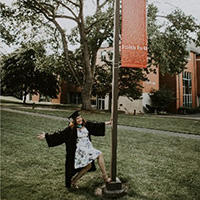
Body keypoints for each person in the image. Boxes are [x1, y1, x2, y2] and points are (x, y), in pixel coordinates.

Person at [37, 110, 111, 189]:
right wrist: (47, 136)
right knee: (99, 154)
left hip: (88, 147)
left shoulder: (86, 125)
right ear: (74, 121)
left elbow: (97, 125)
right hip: (80, 150)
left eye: (80, 118)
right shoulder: (71, 129)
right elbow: (60, 134)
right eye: (77, 119)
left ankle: (74, 181)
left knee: (88, 166)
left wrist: (108, 123)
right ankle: (105, 177)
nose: (79, 120)